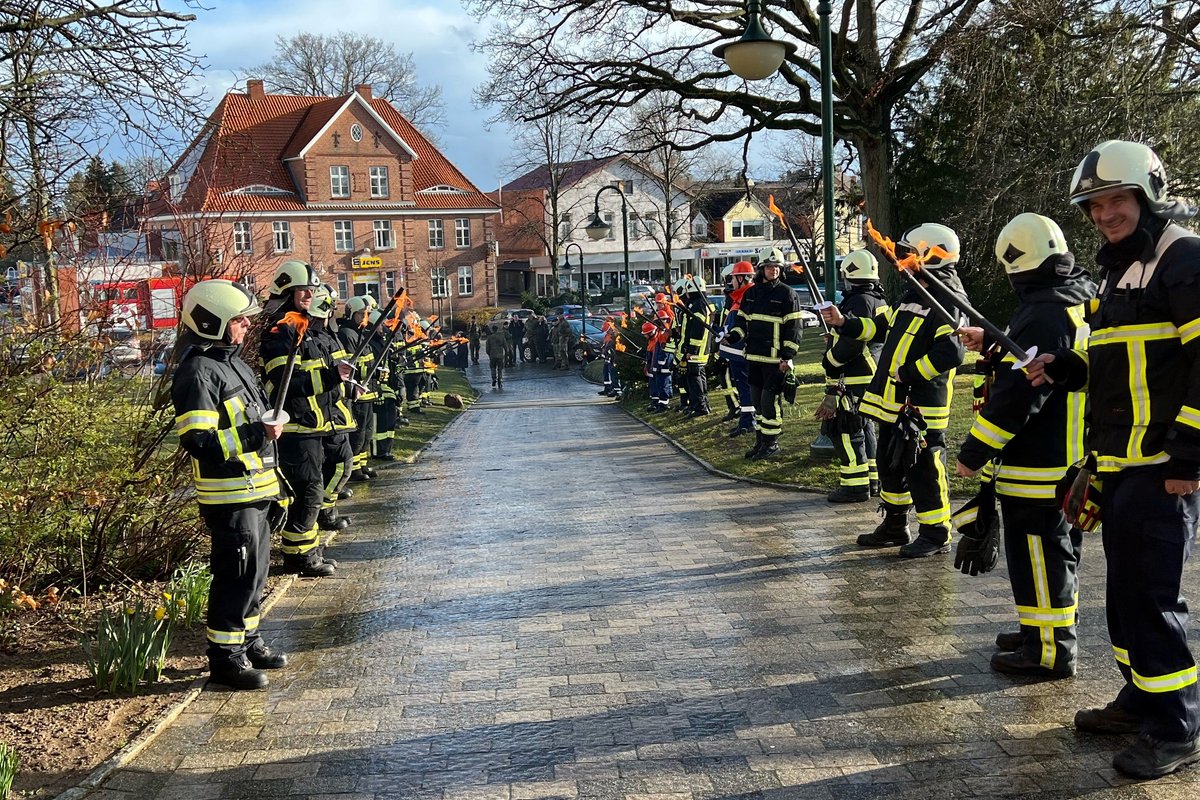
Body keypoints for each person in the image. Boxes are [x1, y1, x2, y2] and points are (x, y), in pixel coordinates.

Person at [1026, 140, 1200, 778]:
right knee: (1124, 596)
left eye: (1117, 200)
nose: (1104, 214)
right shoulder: (1118, 267)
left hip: (1163, 467)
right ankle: (1140, 697)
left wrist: (1189, 459)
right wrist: (1063, 366)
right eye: (1095, 205)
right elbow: (1116, 359)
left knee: (1151, 597)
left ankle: (1177, 727)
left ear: (1148, 195)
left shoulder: (1183, 258)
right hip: (1120, 461)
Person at [954, 213, 1094, 679]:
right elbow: (1032, 359)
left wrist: (973, 452)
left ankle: (1050, 651)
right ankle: (1042, 631)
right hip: (1072, 457)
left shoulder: (1042, 310)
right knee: (1058, 552)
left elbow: (1021, 393)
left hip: (1039, 461)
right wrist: (993, 345)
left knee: (1039, 554)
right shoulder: (1078, 296)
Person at [820, 224, 968, 557]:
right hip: (891, 403)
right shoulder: (916, 293)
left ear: (929, 255)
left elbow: (953, 351)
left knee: (923, 470)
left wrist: (910, 373)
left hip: (920, 408)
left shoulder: (948, 298)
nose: (901, 261)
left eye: (907, 254)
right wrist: (845, 323)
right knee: (889, 466)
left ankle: (936, 533)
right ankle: (895, 525)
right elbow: (880, 328)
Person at [172, 279, 288, 690]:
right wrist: (258, 433)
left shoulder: (233, 362)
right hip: (229, 495)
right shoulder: (199, 372)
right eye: (237, 319)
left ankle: (248, 641)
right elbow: (198, 442)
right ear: (213, 322)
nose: (244, 326)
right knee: (235, 576)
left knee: (254, 576)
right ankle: (225, 661)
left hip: (255, 490)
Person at [259, 260, 347, 577]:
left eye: (312, 290)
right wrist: (330, 377)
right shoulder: (279, 332)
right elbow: (285, 384)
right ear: (288, 292)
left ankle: (305, 551)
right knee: (308, 490)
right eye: (304, 291)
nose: (310, 295)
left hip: (311, 424)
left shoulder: (300, 328)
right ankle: (299, 557)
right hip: (294, 427)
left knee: (311, 488)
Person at [818, 250, 888, 502]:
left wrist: (829, 361)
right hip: (871, 374)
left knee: (844, 429)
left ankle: (854, 486)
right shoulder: (876, 299)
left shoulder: (858, 302)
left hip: (855, 377)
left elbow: (853, 344)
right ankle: (872, 480)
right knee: (864, 427)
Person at [724, 247, 803, 460]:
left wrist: (787, 356)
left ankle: (772, 443)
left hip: (775, 360)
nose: (773, 270)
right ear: (762, 269)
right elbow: (741, 323)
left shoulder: (787, 294)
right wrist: (732, 336)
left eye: (776, 267)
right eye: (769, 267)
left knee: (770, 403)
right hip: (754, 357)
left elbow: (794, 328)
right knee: (758, 402)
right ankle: (760, 442)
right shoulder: (751, 294)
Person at [309, 284, 354, 534]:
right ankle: (325, 512)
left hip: (334, 412)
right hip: (318, 416)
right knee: (337, 465)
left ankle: (327, 509)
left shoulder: (328, 337)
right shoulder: (310, 339)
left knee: (341, 464)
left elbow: (339, 369)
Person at [338, 295, 379, 482]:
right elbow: (350, 365)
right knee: (358, 432)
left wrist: (377, 371)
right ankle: (354, 469)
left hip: (368, 391)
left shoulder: (362, 333)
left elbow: (368, 360)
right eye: (361, 314)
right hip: (357, 393)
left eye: (367, 314)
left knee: (367, 431)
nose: (365, 318)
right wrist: (370, 369)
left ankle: (362, 464)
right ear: (351, 314)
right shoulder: (347, 334)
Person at [717, 261, 757, 437]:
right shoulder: (739, 296)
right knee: (743, 387)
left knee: (745, 386)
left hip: (741, 353)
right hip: (735, 351)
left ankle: (748, 421)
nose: (731, 282)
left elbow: (743, 326)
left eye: (733, 278)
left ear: (741, 278)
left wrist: (729, 339)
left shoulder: (746, 297)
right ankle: (746, 419)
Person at [677, 276, 713, 416]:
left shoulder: (698, 305)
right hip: (701, 349)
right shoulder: (702, 303)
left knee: (695, 378)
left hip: (697, 351)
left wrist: (691, 350)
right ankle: (702, 405)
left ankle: (700, 407)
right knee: (698, 377)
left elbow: (697, 330)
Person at [485, 322, 508, 388]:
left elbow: (487, 348)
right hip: (500, 355)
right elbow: (505, 346)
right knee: (500, 369)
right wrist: (506, 353)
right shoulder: (501, 337)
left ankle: (494, 379)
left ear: (492, 330)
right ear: (497, 329)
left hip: (492, 355)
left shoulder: (489, 338)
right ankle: (500, 380)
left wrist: (489, 354)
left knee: (493, 368)